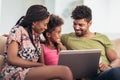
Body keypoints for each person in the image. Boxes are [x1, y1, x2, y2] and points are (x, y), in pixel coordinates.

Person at [0, 5, 73, 80]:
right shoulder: (17, 31)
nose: (46, 28)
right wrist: (38, 65)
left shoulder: (35, 36)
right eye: (44, 24)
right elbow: (12, 59)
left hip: (30, 70)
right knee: (64, 71)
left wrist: (58, 44)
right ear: (34, 22)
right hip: (15, 72)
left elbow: (39, 43)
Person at [61, 5, 120, 80]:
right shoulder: (67, 38)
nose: (76, 27)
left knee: (115, 72)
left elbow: (116, 59)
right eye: (74, 24)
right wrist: (60, 45)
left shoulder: (102, 38)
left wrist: (109, 67)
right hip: (87, 77)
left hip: (104, 74)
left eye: (80, 25)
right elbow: (51, 35)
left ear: (90, 23)